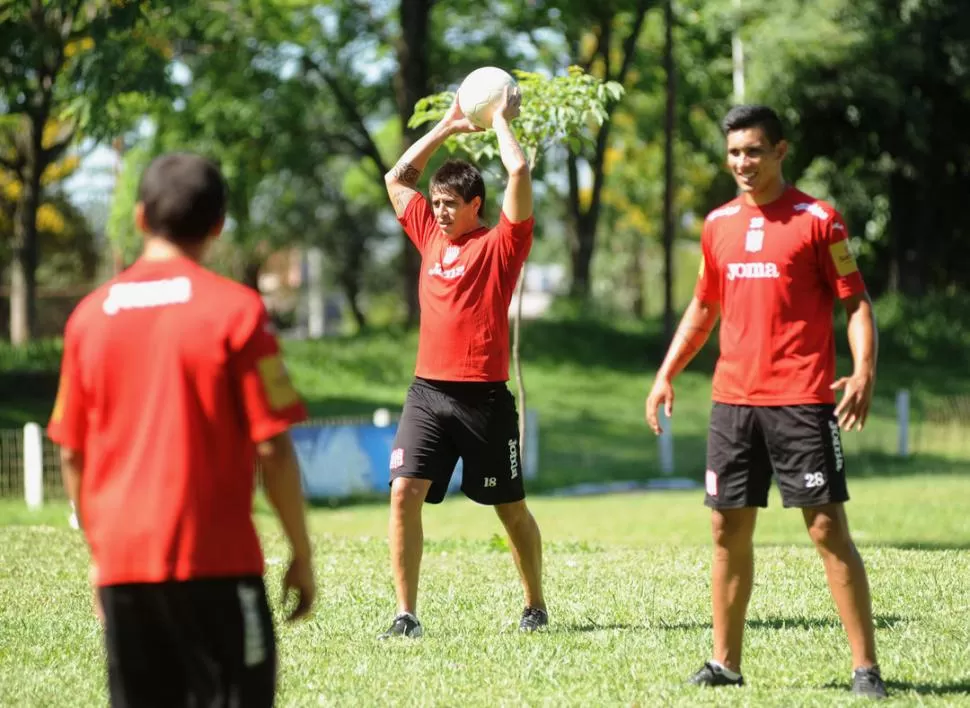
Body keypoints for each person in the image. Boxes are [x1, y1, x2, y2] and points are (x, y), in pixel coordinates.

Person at [47, 152, 316, 707]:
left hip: (124, 570)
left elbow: (71, 453)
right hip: (218, 566)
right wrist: (300, 553)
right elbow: (274, 447)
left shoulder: (89, 319)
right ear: (218, 225)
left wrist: (102, 558)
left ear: (141, 218)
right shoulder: (239, 312)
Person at [645, 105, 887, 699]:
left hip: (801, 399)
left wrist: (864, 371)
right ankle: (725, 664)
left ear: (780, 150)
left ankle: (866, 669)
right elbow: (704, 308)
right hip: (733, 402)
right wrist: (666, 372)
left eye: (753, 151)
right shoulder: (717, 224)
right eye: (733, 153)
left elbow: (856, 304)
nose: (742, 163)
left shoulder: (820, 220)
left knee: (827, 528)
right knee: (727, 531)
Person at [378, 85, 546, 638]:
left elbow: (518, 172)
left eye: (451, 203)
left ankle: (534, 605)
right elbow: (396, 180)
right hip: (427, 394)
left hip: (485, 400)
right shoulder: (429, 235)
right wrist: (449, 125)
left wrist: (497, 118)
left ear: (477, 205)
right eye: (438, 202)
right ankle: (406, 615)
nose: (440, 211)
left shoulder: (501, 246)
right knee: (404, 491)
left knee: (511, 510)